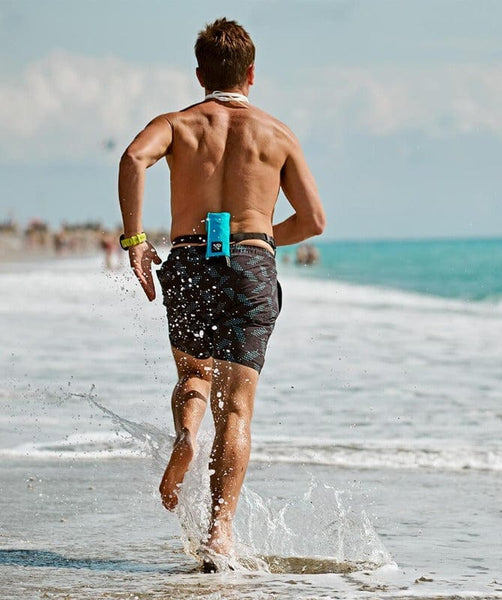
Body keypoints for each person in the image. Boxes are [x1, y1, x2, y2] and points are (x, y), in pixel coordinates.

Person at [118, 18, 325, 567]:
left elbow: (134, 158)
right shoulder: (277, 134)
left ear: (199, 73)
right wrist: (259, 242)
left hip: (188, 258)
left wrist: (136, 241)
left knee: (192, 376)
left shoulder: (178, 125)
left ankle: (186, 435)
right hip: (251, 265)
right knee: (236, 408)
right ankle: (220, 535)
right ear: (252, 74)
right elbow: (314, 220)